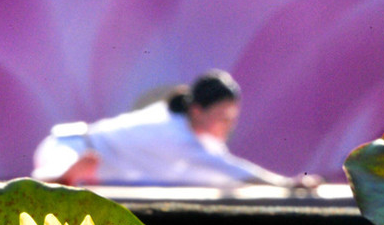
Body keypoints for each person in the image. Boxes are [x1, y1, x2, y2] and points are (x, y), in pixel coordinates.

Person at [31, 70, 295, 187]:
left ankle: (70, 176)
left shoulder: (186, 128)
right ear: (197, 111)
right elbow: (232, 170)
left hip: (90, 162)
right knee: (51, 177)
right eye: (222, 116)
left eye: (232, 117)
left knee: (69, 178)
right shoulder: (177, 133)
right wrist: (285, 183)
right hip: (66, 146)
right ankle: (63, 175)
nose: (230, 124)